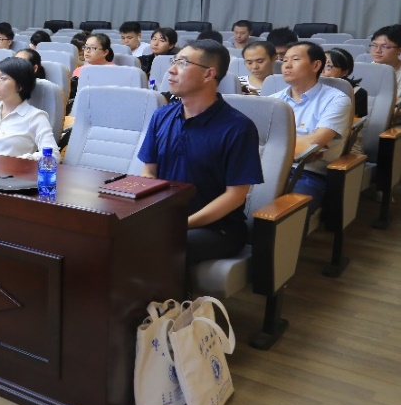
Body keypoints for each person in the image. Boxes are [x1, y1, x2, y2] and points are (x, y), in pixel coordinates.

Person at [138, 39, 264, 280]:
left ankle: (174, 304)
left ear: (209, 74)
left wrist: (183, 223)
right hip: (168, 217)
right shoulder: (161, 115)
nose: (171, 70)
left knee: (160, 245)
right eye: (174, 62)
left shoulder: (238, 127)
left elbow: (235, 196)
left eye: (182, 63)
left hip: (218, 228)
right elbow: (149, 172)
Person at [272, 41, 352, 216]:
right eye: (284, 60)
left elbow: (314, 141)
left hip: (307, 174)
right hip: (269, 168)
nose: (287, 65)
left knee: (279, 212)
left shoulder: (336, 99)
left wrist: (272, 148)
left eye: (295, 59)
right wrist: (299, 148)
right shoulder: (273, 101)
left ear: (316, 65)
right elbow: (252, 142)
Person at [0, 57, 59, 161]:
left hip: (12, 171)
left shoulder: (35, 117)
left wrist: (25, 160)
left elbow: (53, 155)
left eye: (3, 78)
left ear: (20, 85)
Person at [323, 47, 367, 118]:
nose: (321, 70)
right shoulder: (310, 88)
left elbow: (349, 122)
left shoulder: (356, 92)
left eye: (328, 66)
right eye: (320, 65)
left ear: (344, 72)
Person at [368, 24, 401, 102]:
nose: (377, 50)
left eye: (385, 47)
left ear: (399, 50)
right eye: (374, 45)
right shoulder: (366, 70)